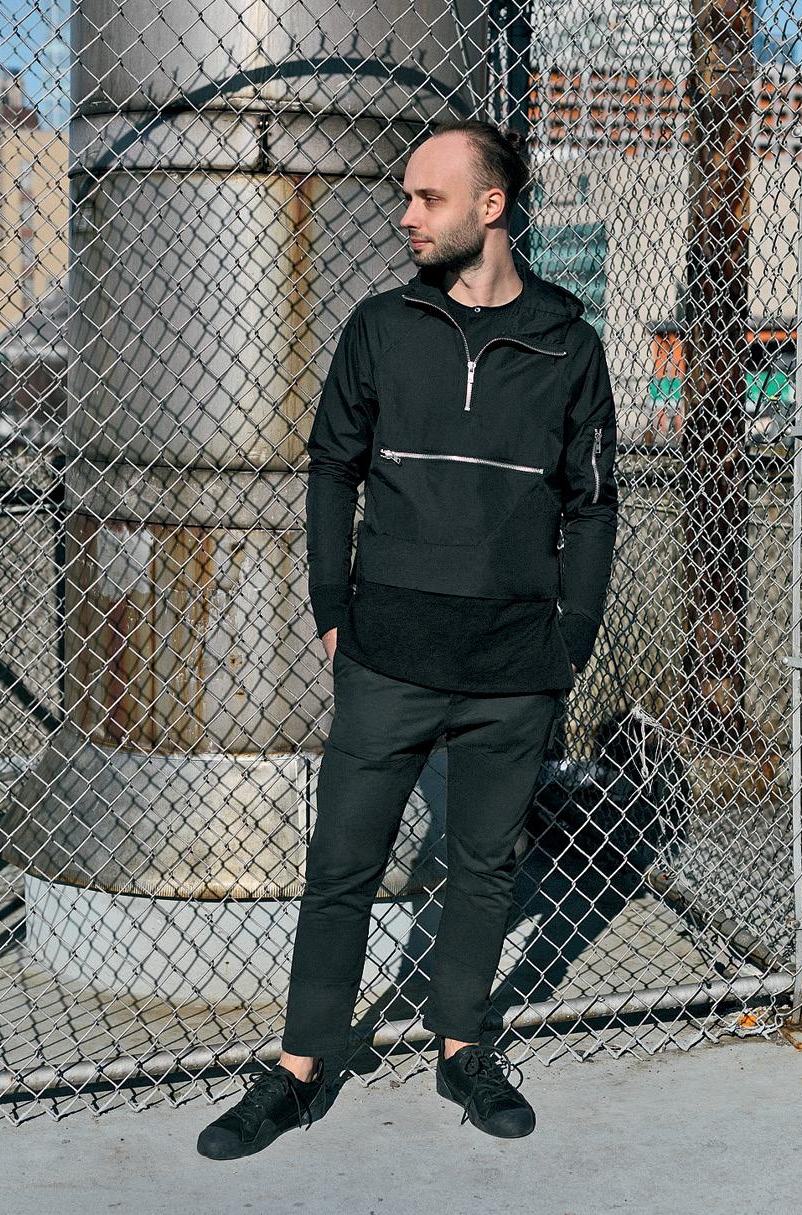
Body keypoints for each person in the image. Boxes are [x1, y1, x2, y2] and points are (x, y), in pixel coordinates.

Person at [197, 119, 619, 1160]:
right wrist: (330, 604)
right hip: (387, 654)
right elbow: (331, 467)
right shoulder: (382, 326)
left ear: (492, 206)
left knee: (482, 867)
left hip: (513, 666)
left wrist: (572, 635)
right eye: (406, 196)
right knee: (342, 866)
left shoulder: (569, 342)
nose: (406, 215)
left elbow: (594, 501)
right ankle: (300, 1068)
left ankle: (463, 1048)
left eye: (429, 197)